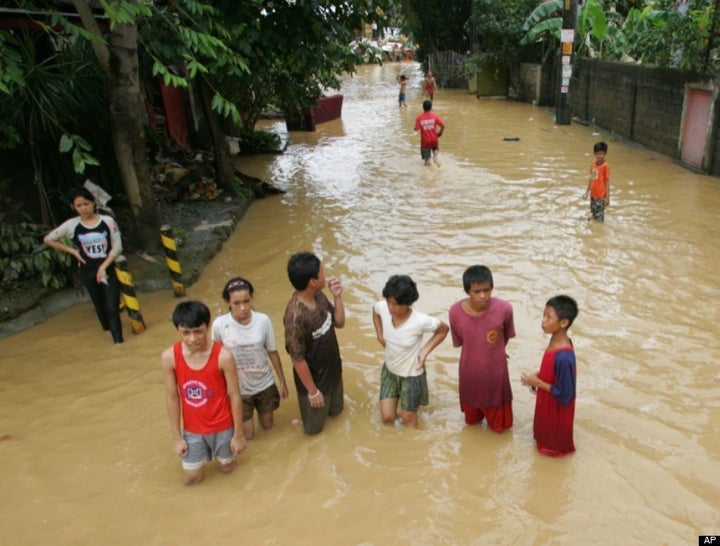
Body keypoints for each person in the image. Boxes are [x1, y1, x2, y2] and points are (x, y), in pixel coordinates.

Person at [161, 301, 246, 485]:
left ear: (208, 326)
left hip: (223, 427)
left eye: (198, 331)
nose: (193, 338)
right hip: (192, 430)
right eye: (186, 332)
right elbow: (172, 397)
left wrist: (238, 435)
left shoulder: (223, 357)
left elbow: (235, 395)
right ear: (178, 330)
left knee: (227, 469)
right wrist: (177, 437)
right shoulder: (169, 358)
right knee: (192, 479)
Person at [43, 186, 124, 344]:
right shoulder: (72, 225)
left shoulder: (108, 221)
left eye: (86, 204)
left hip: (108, 269)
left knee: (112, 307)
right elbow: (48, 239)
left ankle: (119, 343)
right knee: (99, 306)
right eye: (79, 206)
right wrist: (72, 251)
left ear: (93, 203)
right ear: (74, 207)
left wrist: (103, 267)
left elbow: (117, 247)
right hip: (87, 272)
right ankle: (108, 333)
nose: (83, 208)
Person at [212, 277, 289, 440]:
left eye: (246, 301)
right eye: (236, 303)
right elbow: (215, 359)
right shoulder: (220, 325)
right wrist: (219, 391)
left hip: (264, 384)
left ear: (252, 297)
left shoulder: (263, 321)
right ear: (228, 302)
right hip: (238, 391)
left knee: (269, 427)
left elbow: (272, 352)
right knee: (248, 436)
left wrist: (282, 381)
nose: (243, 308)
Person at [373, 274, 449, 428]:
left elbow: (444, 329)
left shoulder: (420, 321)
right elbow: (375, 312)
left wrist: (425, 350)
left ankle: (414, 448)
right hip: (390, 370)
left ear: (408, 304)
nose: (391, 308)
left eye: (396, 304)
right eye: (389, 302)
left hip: (411, 375)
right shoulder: (383, 307)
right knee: (387, 418)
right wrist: (379, 335)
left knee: (409, 420)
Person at [283, 252, 345, 435]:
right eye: (322, 272)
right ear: (312, 281)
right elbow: (297, 359)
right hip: (315, 384)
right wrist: (312, 391)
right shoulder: (295, 317)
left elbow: (339, 323)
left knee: (337, 413)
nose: (325, 275)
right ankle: (300, 422)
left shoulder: (319, 296)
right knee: (314, 431)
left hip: (333, 373)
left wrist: (338, 296)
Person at [448, 265, 516, 433]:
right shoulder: (455, 312)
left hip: (496, 379)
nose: (483, 296)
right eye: (477, 292)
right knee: (472, 427)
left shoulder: (504, 309)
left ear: (492, 288)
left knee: (500, 431)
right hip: (469, 378)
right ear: (467, 291)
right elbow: (462, 342)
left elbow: (505, 336)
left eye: (486, 290)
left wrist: (496, 350)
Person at [521, 295, 579, 457]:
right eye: (543, 315)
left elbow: (566, 394)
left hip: (556, 411)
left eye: (549, 317)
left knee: (552, 450)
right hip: (547, 401)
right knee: (542, 442)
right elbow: (553, 370)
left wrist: (537, 382)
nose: (543, 321)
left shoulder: (564, 356)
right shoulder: (556, 340)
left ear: (563, 323)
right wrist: (538, 376)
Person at [584, 141, 610, 221]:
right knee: (593, 212)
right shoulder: (593, 164)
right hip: (593, 195)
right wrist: (587, 192)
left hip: (601, 196)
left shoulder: (605, 166)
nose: (599, 156)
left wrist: (607, 197)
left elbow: (607, 181)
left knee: (599, 218)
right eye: (598, 153)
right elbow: (591, 178)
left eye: (601, 153)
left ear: (605, 154)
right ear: (594, 153)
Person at [414, 99, 445, 167]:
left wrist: (415, 129)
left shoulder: (419, 118)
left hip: (425, 141)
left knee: (427, 163)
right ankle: (435, 158)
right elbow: (443, 125)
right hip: (434, 139)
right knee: (435, 148)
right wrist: (440, 133)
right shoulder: (434, 116)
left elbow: (417, 129)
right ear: (431, 108)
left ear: (423, 107)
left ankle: (429, 173)